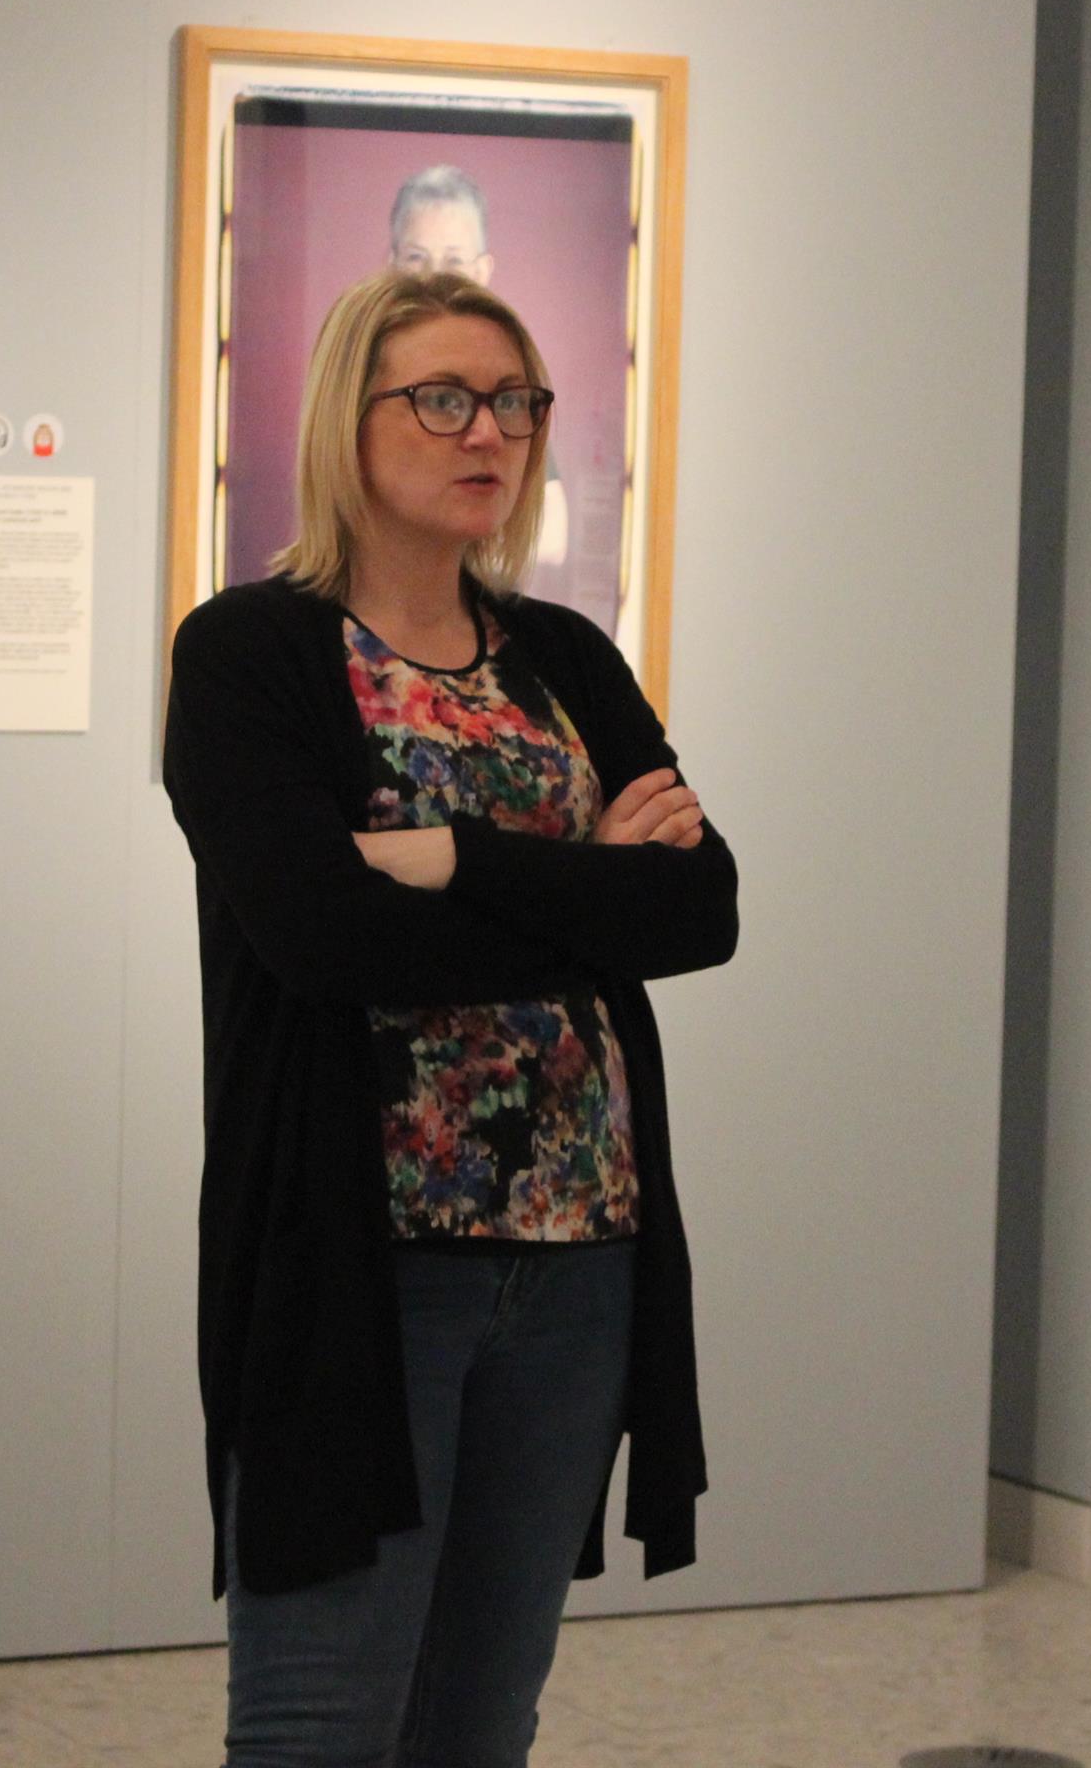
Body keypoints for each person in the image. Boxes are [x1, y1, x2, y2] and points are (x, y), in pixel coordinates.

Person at [164, 268, 738, 1767]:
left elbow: (702, 910)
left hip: (578, 1254)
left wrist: (457, 860)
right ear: (348, 420)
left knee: (481, 1720)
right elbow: (319, 935)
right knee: (318, 1720)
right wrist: (581, 883)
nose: (488, 431)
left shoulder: (565, 660)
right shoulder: (251, 655)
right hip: (366, 1263)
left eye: (516, 400)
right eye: (442, 397)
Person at [386, 163, 569, 567]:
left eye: (453, 261)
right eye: (417, 257)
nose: (434, 277)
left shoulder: (504, 377)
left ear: (481, 271)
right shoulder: (363, 368)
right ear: (393, 263)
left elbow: (553, 534)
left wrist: (457, 547)